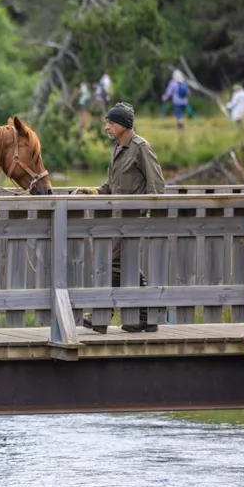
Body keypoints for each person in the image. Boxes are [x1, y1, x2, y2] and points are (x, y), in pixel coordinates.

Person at [72, 102, 166, 333]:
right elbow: (112, 185)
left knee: (114, 263)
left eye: (111, 123)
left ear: (124, 125)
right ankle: (146, 317)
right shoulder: (117, 148)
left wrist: (151, 218)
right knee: (126, 263)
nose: (107, 127)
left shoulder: (141, 147)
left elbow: (156, 186)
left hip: (133, 220)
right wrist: (93, 191)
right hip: (117, 221)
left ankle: (102, 316)